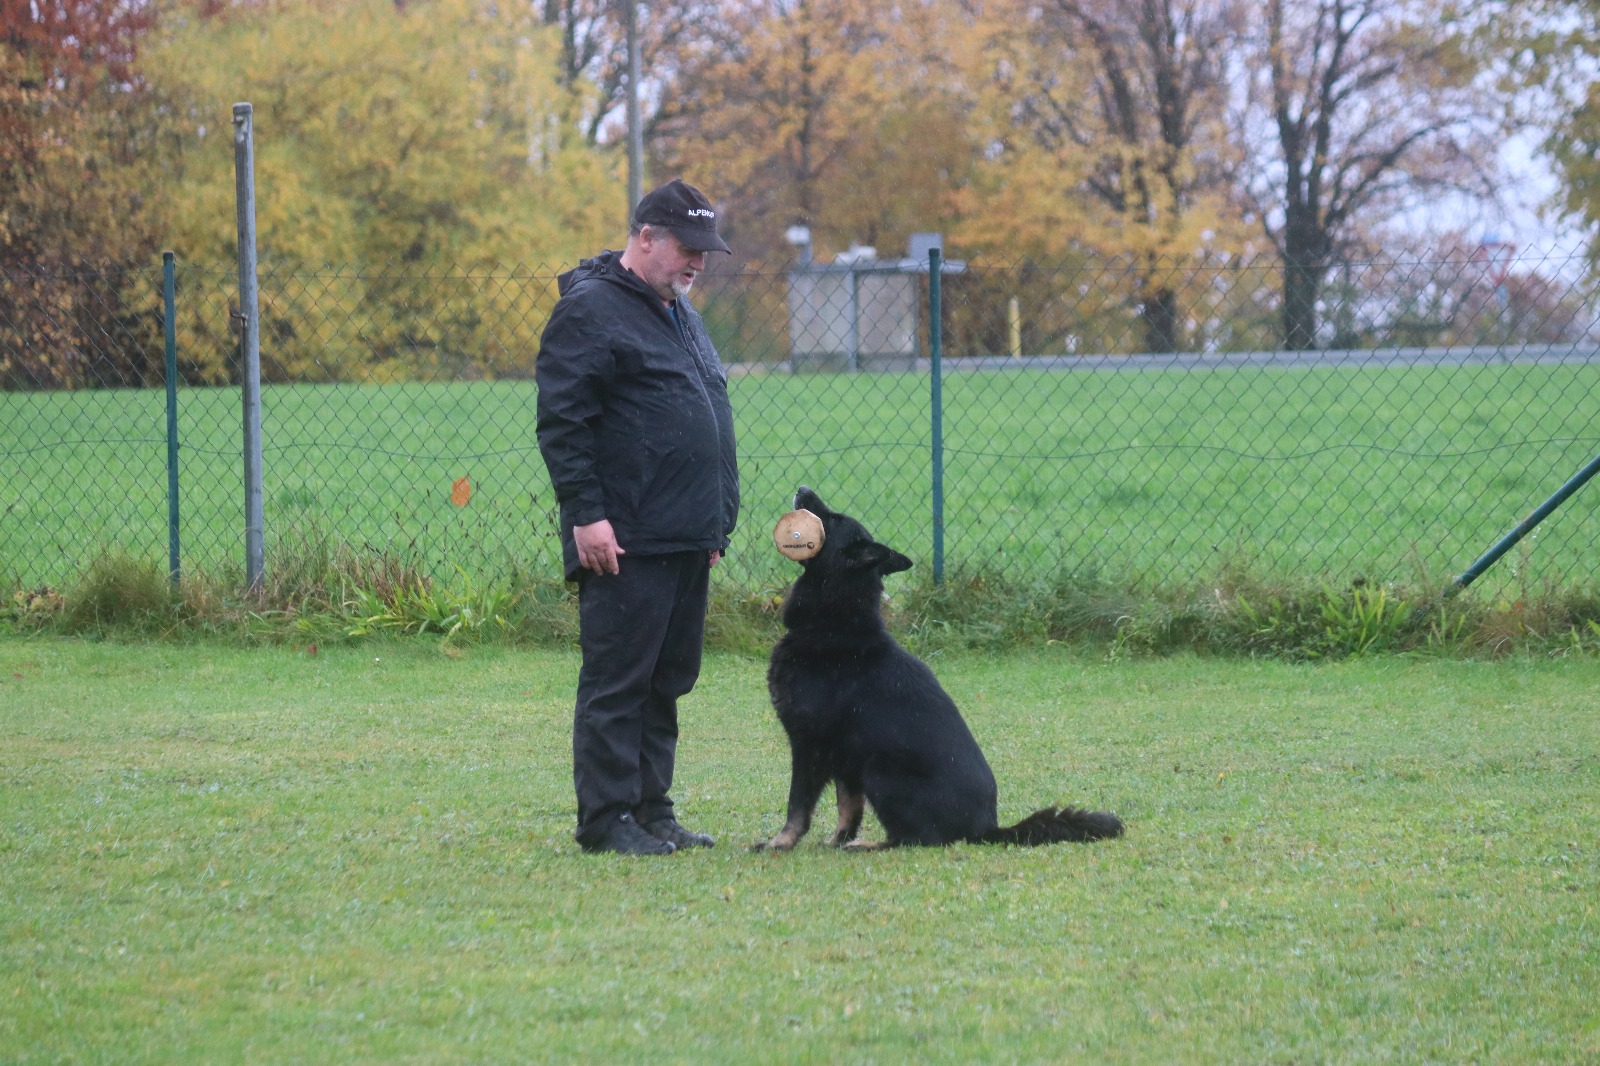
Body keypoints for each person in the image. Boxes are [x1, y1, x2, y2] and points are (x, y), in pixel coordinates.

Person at [535, 178, 740, 856]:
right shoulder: (592, 311)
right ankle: (605, 820)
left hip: (686, 532)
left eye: (705, 252)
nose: (698, 264)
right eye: (688, 248)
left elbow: (709, 408)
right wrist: (586, 516)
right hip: (625, 536)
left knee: (666, 682)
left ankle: (653, 811)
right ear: (645, 239)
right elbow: (565, 422)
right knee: (620, 681)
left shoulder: (678, 311)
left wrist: (717, 523)